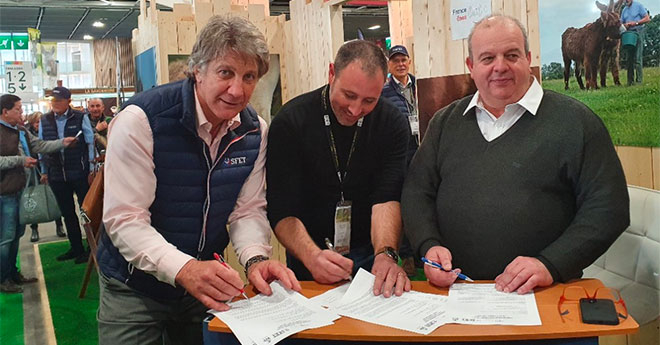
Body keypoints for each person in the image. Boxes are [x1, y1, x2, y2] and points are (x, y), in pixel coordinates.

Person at [97, 15, 300, 345]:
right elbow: (125, 220)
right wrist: (185, 269)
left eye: (249, 77)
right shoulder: (141, 120)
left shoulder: (254, 130)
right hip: (133, 286)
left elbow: (246, 210)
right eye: (226, 73)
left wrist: (256, 259)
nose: (237, 89)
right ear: (197, 69)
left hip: (202, 286)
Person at [401, 15, 629, 294]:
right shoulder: (444, 123)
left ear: (528, 58)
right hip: (457, 295)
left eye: (511, 55)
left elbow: (608, 209)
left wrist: (550, 264)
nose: (500, 67)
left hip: (545, 297)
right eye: (487, 58)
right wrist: (428, 245)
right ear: (471, 67)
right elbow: (417, 192)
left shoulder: (577, 122)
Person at [267, 40, 411, 298]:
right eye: (349, 95)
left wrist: (386, 254)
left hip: (369, 251)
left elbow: (387, 196)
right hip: (307, 254)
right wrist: (312, 257)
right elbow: (282, 209)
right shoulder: (291, 122)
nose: (356, 110)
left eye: (369, 100)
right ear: (332, 73)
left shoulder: (391, 123)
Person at [0, 94, 76, 293]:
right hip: (4, 193)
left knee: (16, 234)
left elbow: (40, 146)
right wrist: (20, 160)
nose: (21, 112)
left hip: (20, 190)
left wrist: (63, 143)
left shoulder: (21, 130)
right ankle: (3, 278)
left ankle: (12, 273)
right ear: (5, 111)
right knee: (6, 237)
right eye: (18, 109)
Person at [39, 86, 95, 264]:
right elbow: (41, 146)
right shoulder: (45, 119)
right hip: (56, 175)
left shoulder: (79, 117)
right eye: (53, 101)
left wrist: (92, 167)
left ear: (68, 102)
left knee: (87, 212)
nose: (55, 104)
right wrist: (44, 171)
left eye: (59, 101)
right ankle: (76, 248)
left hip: (79, 173)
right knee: (67, 213)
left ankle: (92, 248)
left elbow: (90, 141)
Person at [380, 44, 419, 276]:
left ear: (409, 62)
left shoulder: (421, 87)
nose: (401, 64)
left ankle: (423, 252)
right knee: (403, 201)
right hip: (401, 155)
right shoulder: (385, 93)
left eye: (404, 60)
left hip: (422, 151)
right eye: (396, 61)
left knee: (422, 200)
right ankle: (406, 255)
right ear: (389, 65)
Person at [24, 111, 65, 242]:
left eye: (41, 122)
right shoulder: (26, 134)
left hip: (49, 168)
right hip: (33, 170)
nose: (39, 125)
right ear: (32, 123)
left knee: (54, 198)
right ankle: (34, 229)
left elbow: (48, 147)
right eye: (37, 122)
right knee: (33, 199)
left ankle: (59, 226)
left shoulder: (48, 132)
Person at [621, 0, 650, 85]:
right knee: (629, 59)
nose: (626, 0)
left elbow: (647, 18)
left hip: (638, 32)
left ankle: (639, 81)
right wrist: (625, 25)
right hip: (628, 34)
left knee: (638, 58)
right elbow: (621, 22)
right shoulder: (624, 10)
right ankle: (630, 82)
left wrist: (636, 23)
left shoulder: (638, 5)